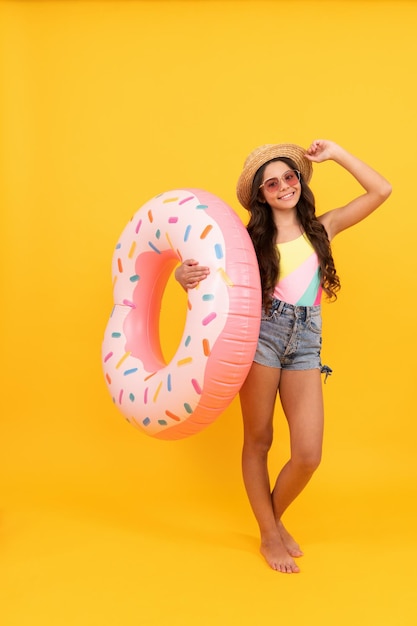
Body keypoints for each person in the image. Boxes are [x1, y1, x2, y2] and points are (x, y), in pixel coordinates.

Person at [175, 139, 392, 573]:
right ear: (260, 194)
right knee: (259, 441)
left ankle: (270, 522)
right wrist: (184, 276)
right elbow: (209, 281)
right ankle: (270, 534)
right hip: (262, 337)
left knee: (308, 454)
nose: (283, 186)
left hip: (306, 340)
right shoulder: (245, 241)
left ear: (299, 180)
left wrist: (336, 155)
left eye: (288, 177)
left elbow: (381, 191)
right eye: (271, 183)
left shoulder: (323, 227)